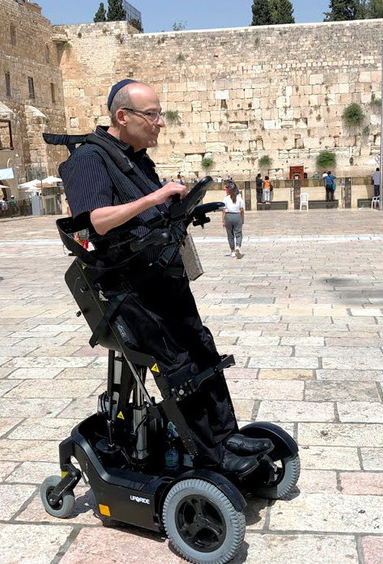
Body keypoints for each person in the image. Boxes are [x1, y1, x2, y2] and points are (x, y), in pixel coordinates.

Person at [60, 78, 268, 474]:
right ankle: (211, 454)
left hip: (163, 276)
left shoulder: (137, 158)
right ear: (122, 116)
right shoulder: (88, 159)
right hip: (131, 289)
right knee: (177, 367)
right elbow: (94, 222)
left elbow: (146, 218)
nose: (160, 123)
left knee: (203, 351)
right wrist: (154, 198)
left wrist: (179, 206)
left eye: (160, 114)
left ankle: (226, 436)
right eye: (151, 114)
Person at [222, 183, 245, 259]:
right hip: (237, 216)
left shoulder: (226, 199)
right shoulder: (239, 198)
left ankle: (232, 251)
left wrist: (223, 221)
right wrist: (242, 219)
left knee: (230, 235)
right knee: (238, 233)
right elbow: (241, 210)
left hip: (228, 216)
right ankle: (238, 246)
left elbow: (224, 211)